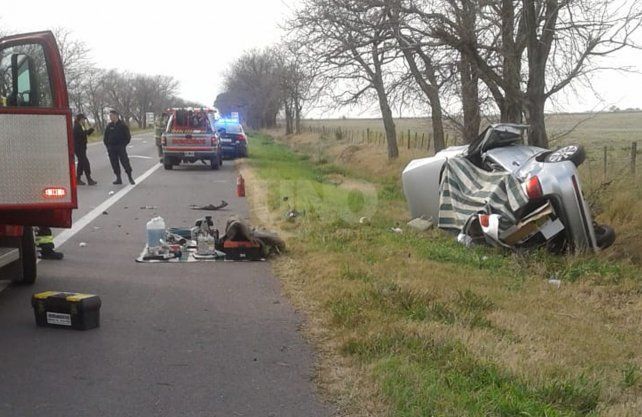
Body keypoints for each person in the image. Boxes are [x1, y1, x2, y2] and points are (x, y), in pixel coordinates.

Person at [103, 109, 134, 185]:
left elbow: (128, 137)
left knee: (125, 162)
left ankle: (130, 177)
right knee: (114, 163)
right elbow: (105, 137)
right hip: (111, 148)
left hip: (120, 147)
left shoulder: (122, 125)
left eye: (112, 116)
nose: (110, 117)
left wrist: (123, 145)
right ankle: (118, 178)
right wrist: (108, 146)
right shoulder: (109, 126)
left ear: (116, 116)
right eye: (110, 116)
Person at [73, 113, 97, 185]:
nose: (84, 121)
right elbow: (82, 134)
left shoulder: (81, 126)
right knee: (85, 163)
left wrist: (91, 129)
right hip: (79, 148)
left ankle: (78, 179)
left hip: (82, 147)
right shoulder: (77, 127)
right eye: (83, 119)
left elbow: (85, 133)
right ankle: (89, 179)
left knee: (81, 163)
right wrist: (89, 130)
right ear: (81, 119)